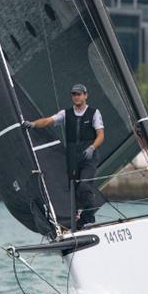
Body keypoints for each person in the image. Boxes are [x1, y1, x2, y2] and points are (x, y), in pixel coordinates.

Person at [22, 84, 105, 229]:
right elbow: (48, 121)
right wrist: (33, 124)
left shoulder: (94, 113)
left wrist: (92, 147)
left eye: (79, 94)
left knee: (84, 185)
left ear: (85, 95)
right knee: (73, 189)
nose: (76, 97)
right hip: (73, 156)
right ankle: (77, 220)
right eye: (74, 94)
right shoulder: (66, 113)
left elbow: (101, 135)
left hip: (89, 156)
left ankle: (89, 217)